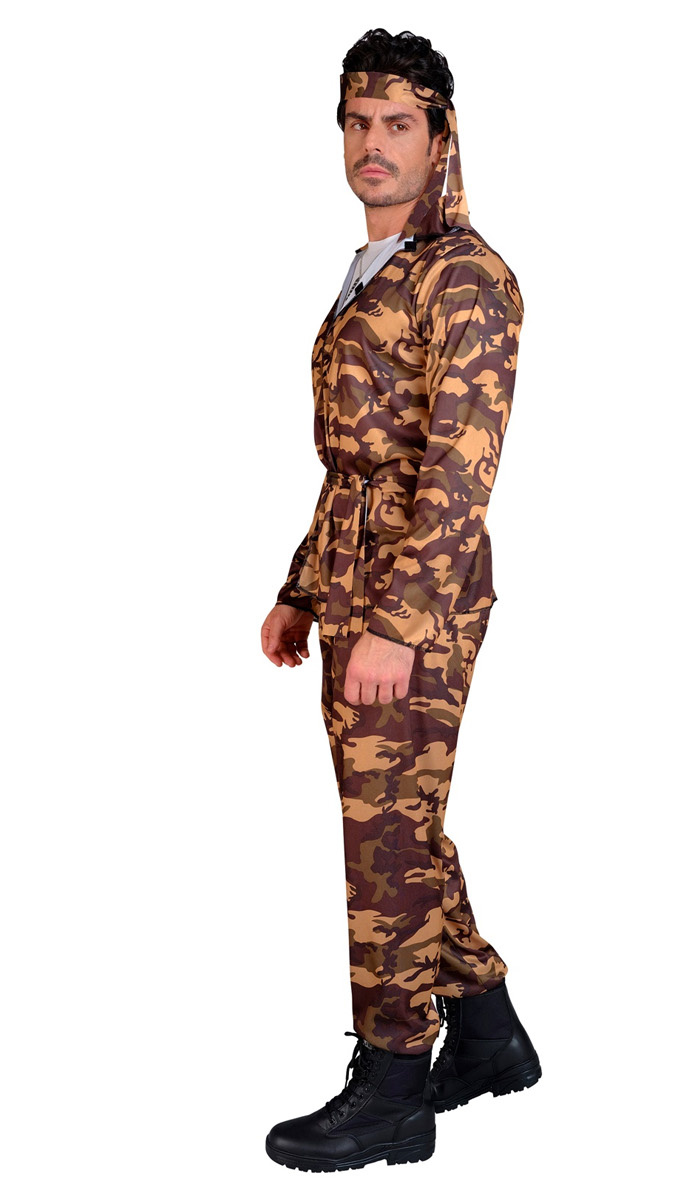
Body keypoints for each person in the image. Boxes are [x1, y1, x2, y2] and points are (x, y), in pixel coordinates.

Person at [258, 29, 540, 1172]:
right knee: (399, 823)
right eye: (356, 122)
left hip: (418, 594)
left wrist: (393, 623)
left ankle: (390, 1088)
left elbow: (459, 472)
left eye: (397, 124)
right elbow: (356, 460)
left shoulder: (464, 276)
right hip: (354, 571)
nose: (372, 144)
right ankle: (487, 1033)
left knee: (382, 840)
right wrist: (302, 586)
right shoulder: (376, 267)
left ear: (440, 136)